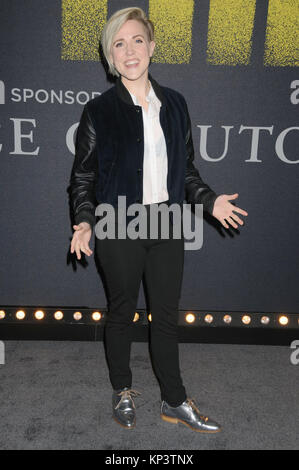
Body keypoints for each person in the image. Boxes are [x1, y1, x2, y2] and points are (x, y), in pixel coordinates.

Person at [69, 7, 248, 432]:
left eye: (137, 40)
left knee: (166, 317)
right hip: (118, 223)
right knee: (122, 312)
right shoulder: (98, 111)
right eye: (119, 43)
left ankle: (173, 400)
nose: (130, 51)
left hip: (166, 223)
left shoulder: (176, 104)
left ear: (151, 46)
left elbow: (186, 172)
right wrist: (84, 220)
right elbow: (83, 176)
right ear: (110, 58)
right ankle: (122, 388)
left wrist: (209, 202)